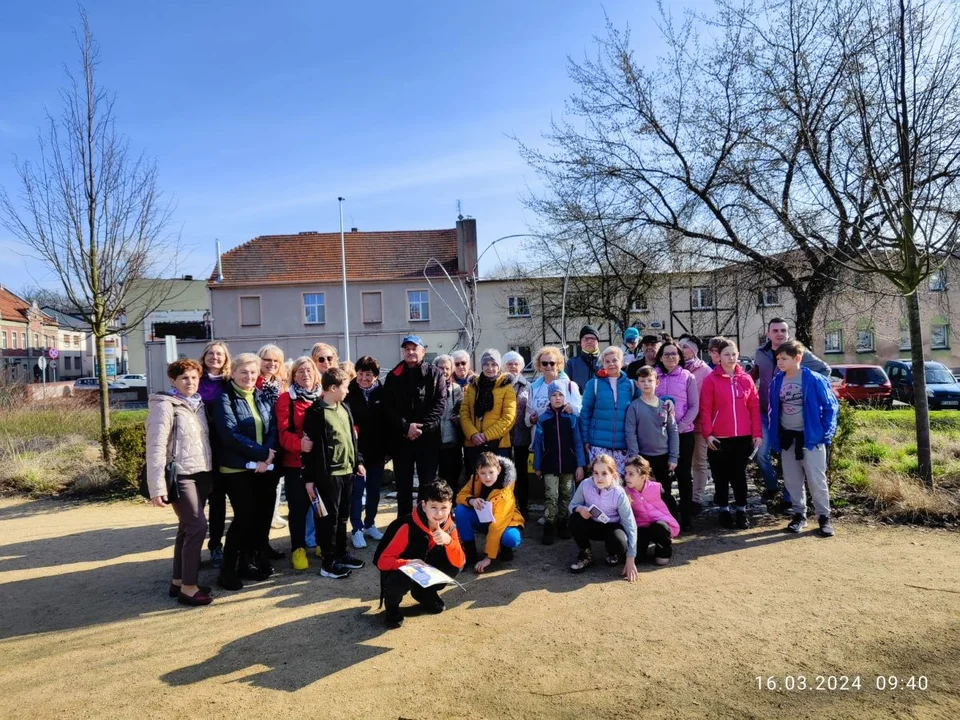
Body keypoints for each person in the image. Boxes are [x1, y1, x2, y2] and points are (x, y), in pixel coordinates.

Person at [146, 358, 214, 606]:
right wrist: (156, 487)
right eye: (184, 378)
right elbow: (155, 447)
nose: (190, 382)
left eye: (194, 377)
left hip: (202, 474)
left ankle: (178, 581)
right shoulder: (165, 406)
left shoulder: (198, 404)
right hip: (181, 476)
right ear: (173, 380)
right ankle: (189, 588)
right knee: (197, 526)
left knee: (186, 528)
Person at [210, 352, 278, 590]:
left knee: (258, 518)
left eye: (252, 372)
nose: (248, 376)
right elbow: (230, 434)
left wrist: (267, 455)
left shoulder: (260, 395)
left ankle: (247, 563)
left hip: (263, 467)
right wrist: (262, 454)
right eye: (243, 372)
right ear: (233, 373)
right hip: (236, 469)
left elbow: (272, 428)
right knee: (243, 519)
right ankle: (227, 570)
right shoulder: (224, 398)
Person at [751, 318, 831, 504]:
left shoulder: (798, 352)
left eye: (783, 330)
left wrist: (806, 389)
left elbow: (824, 370)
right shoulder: (760, 353)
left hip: (788, 413)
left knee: (789, 456)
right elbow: (756, 372)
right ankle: (772, 485)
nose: (779, 334)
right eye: (775, 330)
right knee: (760, 453)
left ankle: (791, 500)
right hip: (765, 412)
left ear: (788, 333)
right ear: (768, 334)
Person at [767, 341, 839, 537]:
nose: (780, 362)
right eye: (778, 359)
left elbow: (830, 407)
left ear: (797, 358)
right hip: (788, 439)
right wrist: (775, 436)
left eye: (784, 358)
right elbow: (773, 410)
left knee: (816, 479)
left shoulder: (814, 379)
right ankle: (799, 515)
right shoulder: (777, 381)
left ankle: (824, 517)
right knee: (792, 480)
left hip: (811, 440)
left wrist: (825, 433)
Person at [374, 480, 466, 629]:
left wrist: (449, 541)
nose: (439, 514)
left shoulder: (450, 527)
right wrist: (407, 563)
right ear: (424, 506)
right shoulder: (407, 526)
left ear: (450, 506)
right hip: (404, 570)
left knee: (455, 565)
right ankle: (392, 607)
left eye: (444, 508)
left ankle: (423, 592)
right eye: (433, 507)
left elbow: (460, 562)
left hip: (426, 569)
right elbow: (382, 562)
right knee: (400, 578)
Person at [301, 367, 366, 579]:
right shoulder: (315, 413)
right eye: (345, 387)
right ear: (333, 388)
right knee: (329, 519)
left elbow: (351, 439)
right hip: (328, 476)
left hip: (348, 472)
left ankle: (341, 553)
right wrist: (309, 479)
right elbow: (309, 451)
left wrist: (358, 461)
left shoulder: (344, 408)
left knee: (343, 517)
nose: (347, 391)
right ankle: (328, 563)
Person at [699, 338, 762, 530]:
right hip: (719, 438)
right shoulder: (711, 380)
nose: (731, 358)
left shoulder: (746, 379)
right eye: (727, 354)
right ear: (719, 356)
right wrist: (708, 434)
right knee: (721, 476)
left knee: (739, 476)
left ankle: (742, 510)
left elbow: (754, 407)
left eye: (734, 354)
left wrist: (757, 433)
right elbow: (705, 409)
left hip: (742, 437)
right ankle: (724, 510)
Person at [381, 335, 446, 517]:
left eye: (414, 348)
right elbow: (388, 407)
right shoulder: (394, 375)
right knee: (403, 486)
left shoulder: (435, 374)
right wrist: (405, 427)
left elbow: (440, 404)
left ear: (423, 351)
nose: (410, 352)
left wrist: (420, 428)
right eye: (407, 349)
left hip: (428, 440)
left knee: (427, 485)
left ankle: (424, 520)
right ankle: (403, 522)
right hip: (402, 440)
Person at [275, 356, 322, 572]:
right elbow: (283, 432)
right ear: (293, 375)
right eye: (300, 371)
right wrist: (299, 444)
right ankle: (298, 548)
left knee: (322, 506)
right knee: (298, 508)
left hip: (320, 463)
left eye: (309, 370)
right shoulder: (286, 399)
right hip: (296, 463)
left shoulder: (323, 396)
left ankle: (322, 543)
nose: (305, 374)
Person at [567, 454, 638, 581]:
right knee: (574, 519)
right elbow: (572, 505)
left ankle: (612, 552)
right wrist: (580, 509)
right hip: (592, 524)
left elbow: (630, 524)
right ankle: (586, 554)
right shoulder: (585, 485)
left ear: (613, 475)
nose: (599, 478)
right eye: (595, 473)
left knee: (620, 543)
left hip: (611, 527)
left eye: (604, 473)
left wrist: (631, 558)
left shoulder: (619, 494)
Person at [532, 381, 585, 544]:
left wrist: (580, 465)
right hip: (549, 465)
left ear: (565, 397)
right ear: (549, 397)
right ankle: (549, 525)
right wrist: (537, 466)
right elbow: (538, 445)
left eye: (560, 395)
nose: (557, 398)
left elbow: (578, 443)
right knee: (551, 496)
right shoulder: (543, 419)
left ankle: (563, 523)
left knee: (566, 495)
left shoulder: (571, 418)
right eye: (554, 395)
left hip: (568, 465)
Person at [625, 366, 680, 521]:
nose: (646, 384)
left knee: (664, 491)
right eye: (642, 381)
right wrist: (635, 457)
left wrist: (673, 457)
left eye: (650, 380)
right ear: (637, 384)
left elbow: (673, 431)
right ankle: (646, 521)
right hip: (643, 458)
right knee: (643, 491)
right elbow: (630, 432)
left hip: (663, 457)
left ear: (657, 382)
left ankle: (670, 521)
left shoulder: (665, 406)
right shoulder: (634, 407)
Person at [654, 340, 699, 529]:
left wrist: (679, 428)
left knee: (683, 475)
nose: (670, 357)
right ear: (660, 357)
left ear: (680, 356)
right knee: (662, 477)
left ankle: (686, 516)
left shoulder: (688, 377)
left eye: (674, 353)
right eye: (666, 354)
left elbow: (694, 406)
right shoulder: (653, 375)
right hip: (659, 434)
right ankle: (667, 516)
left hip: (683, 433)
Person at [454, 452, 524, 573]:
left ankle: (504, 547)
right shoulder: (475, 479)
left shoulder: (505, 491)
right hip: (485, 519)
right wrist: (471, 500)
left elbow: (497, 526)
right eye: (483, 473)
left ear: (498, 470)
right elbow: (460, 496)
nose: (487, 477)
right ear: (477, 471)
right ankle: (470, 553)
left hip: (503, 524)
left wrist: (488, 557)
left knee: (511, 538)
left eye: (491, 472)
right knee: (460, 510)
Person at [346, 355, 387, 550]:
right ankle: (356, 528)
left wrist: (387, 450)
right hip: (357, 453)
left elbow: (389, 422)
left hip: (378, 452)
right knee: (357, 492)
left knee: (374, 491)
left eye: (368, 374)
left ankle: (370, 523)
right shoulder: (349, 393)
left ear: (376, 376)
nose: (363, 378)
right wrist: (356, 457)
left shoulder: (383, 394)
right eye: (360, 373)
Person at [198, 340, 230, 569]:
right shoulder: (196, 379)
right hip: (199, 446)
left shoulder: (229, 382)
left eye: (219, 354)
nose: (215, 357)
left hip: (223, 447)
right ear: (204, 356)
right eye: (211, 353)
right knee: (202, 502)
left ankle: (220, 546)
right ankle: (199, 549)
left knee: (220, 500)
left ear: (226, 358)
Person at [580, 346, 637, 475]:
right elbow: (585, 413)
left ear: (622, 362)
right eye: (607, 361)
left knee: (621, 483)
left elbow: (647, 399)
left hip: (623, 446)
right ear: (603, 364)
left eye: (614, 360)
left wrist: (668, 400)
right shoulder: (594, 384)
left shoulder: (631, 385)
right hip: (598, 445)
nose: (611, 364)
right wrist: (585, 439)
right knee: (600, 482)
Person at [460, 349, 517, 470]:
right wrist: (473, 434)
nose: (490, 368)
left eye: (494, 364)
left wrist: (486, 436)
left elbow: (509, 418)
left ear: (499, 366)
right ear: (482, 366)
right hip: (473, 444)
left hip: (499, 445)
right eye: (486, 364)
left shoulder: (507, 388)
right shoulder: (472, 387)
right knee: (475, 479)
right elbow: (464, 413)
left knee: (498, 479)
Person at [256, 344, 288, 559]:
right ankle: (256, 547)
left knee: (269, 500)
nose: (272, 364)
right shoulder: (254, 384)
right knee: (258, 503)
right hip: (261, 450)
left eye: (276, 360)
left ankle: (264, 544)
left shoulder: (280, 386)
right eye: (267, 359)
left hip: (277, 448)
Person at [624, 455, 680, 566]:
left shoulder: (657, 488)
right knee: (637, 559)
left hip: (660, 525)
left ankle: (663, 549)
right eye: (626, 473)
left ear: (643, 477)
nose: (626, 477)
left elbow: (671, 503)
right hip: (641, 527)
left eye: (631, 474)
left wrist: (673, 522)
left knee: (660, 528)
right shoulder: (625, 492)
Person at [679, 334, 712, 512]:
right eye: (680, 346)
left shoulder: (704, 370)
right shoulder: (675, 368)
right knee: (682, 463)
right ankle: (684, 497)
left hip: (698, 424)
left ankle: (696, 498)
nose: (681, 350)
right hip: (679, 425)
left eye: (685, 347)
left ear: (694, 350)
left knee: (699, 462)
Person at [503, 351, 531, 519]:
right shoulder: (500, 384)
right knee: (505, 472)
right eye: (509, 363)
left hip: (522, 435)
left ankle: (524, 507)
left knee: (522, 472)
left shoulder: (528, 386)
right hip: (503, 436)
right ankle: (507, 507)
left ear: (521, 366)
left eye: (516, 364)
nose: (513, 366)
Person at [526, 346, 582, 430]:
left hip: (564, 434)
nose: (548, 366)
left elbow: (580, 411)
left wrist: (572, 409)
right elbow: (527, 416)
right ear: (539, 366)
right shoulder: (534, 388)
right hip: (540, 435)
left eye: (552, 363)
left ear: (558, 365)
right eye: (544, 363)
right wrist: (530, 419)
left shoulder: (570, 386)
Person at [434, 354, 464, 488]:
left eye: (447, 368)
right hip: (433, 441)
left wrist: (458, 418)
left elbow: (462, 409)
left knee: (451, 479)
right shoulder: (429, 387)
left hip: (451, 441)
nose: (444, 371)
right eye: (441, 368)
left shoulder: (456, 389)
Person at [566, 325, 602, 393]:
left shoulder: (606, 362)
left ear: (598, 341)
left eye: (592, 338)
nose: (589, 341)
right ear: (581, 342)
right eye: (586, 339)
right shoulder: (571, 363)